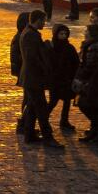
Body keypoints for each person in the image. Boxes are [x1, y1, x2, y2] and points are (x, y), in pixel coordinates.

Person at [19, 9, 62, 148]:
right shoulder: (31, 35)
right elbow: (33, 57)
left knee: (32, 106)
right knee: (41, 109)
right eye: (43, 21)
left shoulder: (28, 33)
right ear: (37, 20)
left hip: (30, 77)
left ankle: (29, 134)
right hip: (33, 78)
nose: (44, 23)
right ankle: (48, 137)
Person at [74, 23, 98, 143]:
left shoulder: (94, 47)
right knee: (90, 105)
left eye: (86, 30)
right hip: (92, 80)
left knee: (86, 104)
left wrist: (79, 78)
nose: (84, 32)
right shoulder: (90, 45)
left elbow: (90, 66)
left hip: (92, 81)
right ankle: (97, 129)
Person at [46, 23, 79, 131]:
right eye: (61, 34)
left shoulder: (69, 47)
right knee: (53, 101)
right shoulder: (51, 47)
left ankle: (64, 121)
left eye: (65, 34)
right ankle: (43, 119)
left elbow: (76, 63)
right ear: (56, 34)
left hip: (67, 79)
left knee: (67, 101)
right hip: (55, 80)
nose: (63, 36)